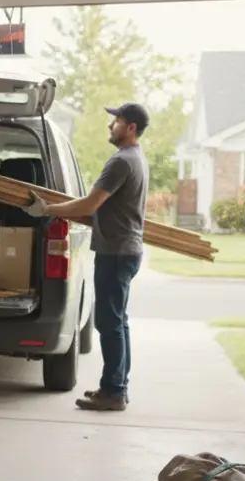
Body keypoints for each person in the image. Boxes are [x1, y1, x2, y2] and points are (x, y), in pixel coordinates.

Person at [24, 102, 150, 411]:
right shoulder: (136, 158)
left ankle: (114, 392)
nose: (110, 126)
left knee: (110, 324)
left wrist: (48, 209)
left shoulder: (121, 161)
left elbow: (89, 204)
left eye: (116, 121)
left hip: (117, 253)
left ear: (131, 127)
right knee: (118, 322)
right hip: (124, 250)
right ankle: (116, 387)